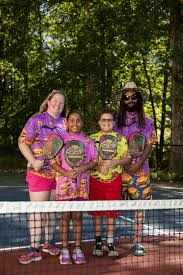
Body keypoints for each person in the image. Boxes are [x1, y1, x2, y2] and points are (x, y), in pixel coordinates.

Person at [18, 89, 67, 264]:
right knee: (37, 211)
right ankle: (34, 248)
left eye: (61, 103)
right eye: (55, 101)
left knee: (52, 211)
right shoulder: (36, 119)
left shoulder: (65, 123)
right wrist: (32, 160)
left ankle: (48, 243)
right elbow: (22, 142)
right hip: (38, 173)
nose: (58, 104)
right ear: (48, 101)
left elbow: (70, 147)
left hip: (58, 175)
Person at [51, 111, 98, 265]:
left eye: (78, 120)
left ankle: (77, 248)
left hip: (81, 185)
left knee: (77, 217)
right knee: (65, 217)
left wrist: (82, 168)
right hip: (63, 185)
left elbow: (95, 161)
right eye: (72, 120)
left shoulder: (88, 141)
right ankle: (64, 249)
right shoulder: (60, 139)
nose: (75, 123)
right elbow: (53, 161)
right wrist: (66, 172)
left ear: (82, 123)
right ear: (67, 122)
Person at [116, 81, 157, 256]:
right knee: (111, 206)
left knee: (140, 208)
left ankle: (137, 242)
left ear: (138, 98)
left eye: (133, 97)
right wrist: (126, 165)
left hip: (141, 173)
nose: (130, 100)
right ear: (122, 99)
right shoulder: (116, 121)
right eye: (126, 97)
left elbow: (150, 144)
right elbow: (113, 145)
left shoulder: (147, 122)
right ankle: (108, 241)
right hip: (119, 172)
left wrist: (137, 165)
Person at [89, 110, 131, 257]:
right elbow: (86, 160)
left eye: (109, 120)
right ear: (99, 122)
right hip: (95, 180)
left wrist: (116, 161)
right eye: (103, 119)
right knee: (97, 212)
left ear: (113, 122)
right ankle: (98, 242)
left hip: (114, 180)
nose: (106, 122)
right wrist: (96, 164)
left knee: (112, 213)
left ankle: (111, 242)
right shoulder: (91, 139)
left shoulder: (121, 139)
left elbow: (128, 158)